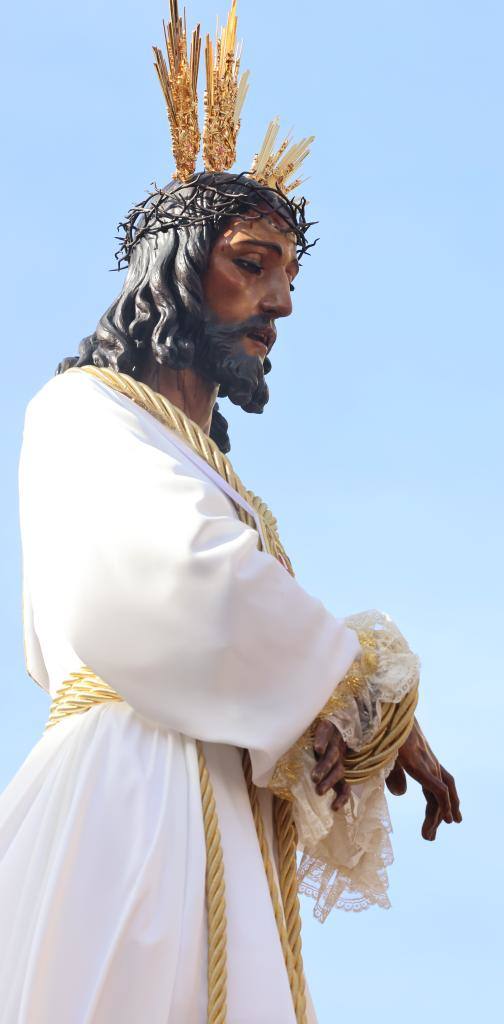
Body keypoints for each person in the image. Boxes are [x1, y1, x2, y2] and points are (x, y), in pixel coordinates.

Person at [0, 3, 461, 1021]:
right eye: (253, 264)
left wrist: (346, 698)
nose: (281, 302)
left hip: (213, 797)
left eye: (288, 276)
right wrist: (357, 689)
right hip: (134, 795)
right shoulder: (82, 409)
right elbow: (186, 578)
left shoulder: (205, 464)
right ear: (176, 267)